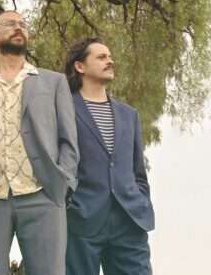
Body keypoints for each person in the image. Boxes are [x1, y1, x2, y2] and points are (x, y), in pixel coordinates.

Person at [0, 10, 79, 275]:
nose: (19, 27)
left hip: (43, 195)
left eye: (23, 24)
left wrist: (63, 182)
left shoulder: (54, 82)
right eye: (10, 24)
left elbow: (69, 140)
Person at [63, 38, 155, 275]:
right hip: (82, 221)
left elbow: (138, 171)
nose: (110, 61)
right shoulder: (63, 109)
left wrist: (141, 200)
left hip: (129, 220)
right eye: (101, 57)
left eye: (110, 56)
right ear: (80, 66)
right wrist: (70, 205)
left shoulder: (129, 114)